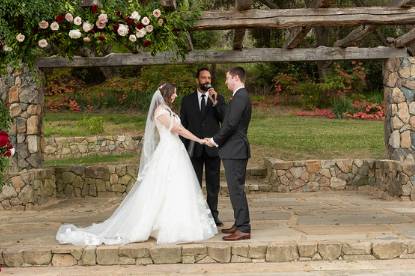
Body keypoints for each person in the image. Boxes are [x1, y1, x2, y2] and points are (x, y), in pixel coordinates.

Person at [56, 83, 217, 245]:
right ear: (167, 94)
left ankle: (181, 225)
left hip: (176, 151)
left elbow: (181, 127)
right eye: (174, 93)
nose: (176, 95)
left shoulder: (168, 110)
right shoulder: (160, 112)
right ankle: (159, 226)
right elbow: (179, 130)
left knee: (178, 187)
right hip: (168, 152)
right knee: (164, 187)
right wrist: (200, 140)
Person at [205, 67, 252, 241]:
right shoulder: (239, 97)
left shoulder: (241, 96)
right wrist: (217, 102)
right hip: (234, 149)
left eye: (227, 79)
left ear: (235, 78)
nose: (225, 82)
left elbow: (231, 124)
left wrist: (215, 140)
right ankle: (239, 223)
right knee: (234, 190)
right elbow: (228, 118)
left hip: (235, 149)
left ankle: (244, 228)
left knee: (236, 190)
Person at [180, 68, 225, 227]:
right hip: (194, 148)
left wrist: (215, 103)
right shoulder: (187, 100)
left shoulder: (218, 98)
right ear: (197, 80)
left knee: (213, 184)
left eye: (209, 78)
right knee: (194, 184)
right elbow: (182, 126)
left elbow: (224, 119)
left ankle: (213, 215)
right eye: (203, 78)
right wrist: (183, 149)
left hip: (212, 147)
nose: (207, 80)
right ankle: (197, 215)